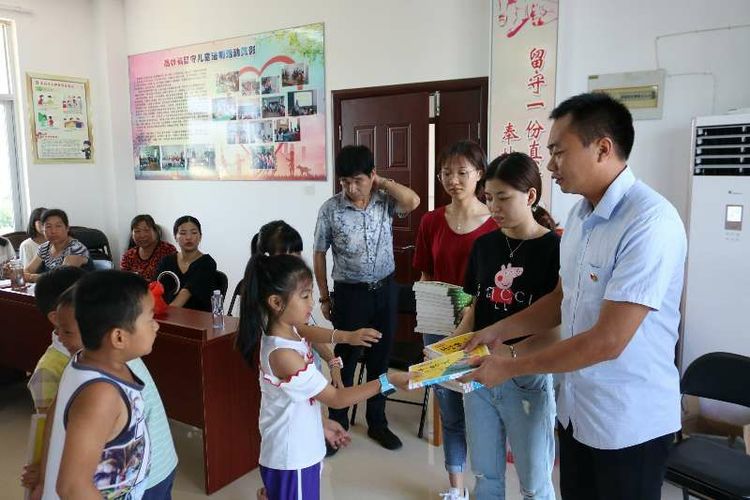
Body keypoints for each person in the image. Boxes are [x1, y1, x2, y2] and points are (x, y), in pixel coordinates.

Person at [462, 92, 687, 500]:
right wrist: (496, 331)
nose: (550, 165)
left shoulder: (650, 222)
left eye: (558, 152)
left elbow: (608, 341)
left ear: (602, 148)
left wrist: (510, 366)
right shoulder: (581, 218)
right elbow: (560, 301)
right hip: (578, 412)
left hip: (628, 422)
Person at [236, 253, 412, 500]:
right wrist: (388, 380)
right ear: (276, 302)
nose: (312, 303)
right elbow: (337, 399)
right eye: (305, 296)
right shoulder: (283, 354)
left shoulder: (291, 331)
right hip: (292, 459)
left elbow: (295, 400)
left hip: (301, 450)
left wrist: (320, 424)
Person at [313, 145, 420, 451]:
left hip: (385, 291)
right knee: (345, 359)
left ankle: (377, 422)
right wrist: (324, 297)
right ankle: (337, 422)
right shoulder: (330, 209)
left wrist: (381, 183)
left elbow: (413, 201)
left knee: (380, 359)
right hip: (350, 294)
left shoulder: (384, 201)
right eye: (345, 181)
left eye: (358, 180)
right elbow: (319, 254)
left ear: (372, 175)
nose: (351, 188)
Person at [412, 140, 496, 500]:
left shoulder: (495, 223)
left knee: (482, 409)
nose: (454, 180)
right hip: (437, 327)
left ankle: (487, 484)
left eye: (462, 172)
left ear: (480, 174)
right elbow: (425, 274)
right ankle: (456, 487)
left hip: (481, 329)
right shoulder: (431, 221)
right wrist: (428, 306)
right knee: (449, 410)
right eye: (446, 172)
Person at [42, 270, 157, 499]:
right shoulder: (102, 394)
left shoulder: (82, 359)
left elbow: (54, 416)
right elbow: (72, 487)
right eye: (150, 319)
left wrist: (43, 473)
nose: (156, 326)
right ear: (119, 337)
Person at [155, 215, 217, 312]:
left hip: (197, 318)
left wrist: (165, 315)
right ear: (175, 237)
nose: (188, 237)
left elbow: (186, 293)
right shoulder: (166, 261)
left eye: (194, 233)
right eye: (183, 233)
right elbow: (155, 290)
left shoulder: (207, 263)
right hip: (168, 314)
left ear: (200, 237)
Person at [24, 208, 90, 282]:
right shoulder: (44, 247)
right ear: (43, 230)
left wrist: (31, 277)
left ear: (67, 228)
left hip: (78, 288)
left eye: (58, 226)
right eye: (48, 226)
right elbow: (28, 270)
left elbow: (60, 277)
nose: (53, 231)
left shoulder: (76, 248)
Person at [120, 214, 177, 281]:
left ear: (155, 231)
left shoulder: (168, 250)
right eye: (137, 231)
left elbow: (174, 277)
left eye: (146, 230)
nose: (142, 235)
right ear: (132, 235)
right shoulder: (128, 256)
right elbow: (123, 281)